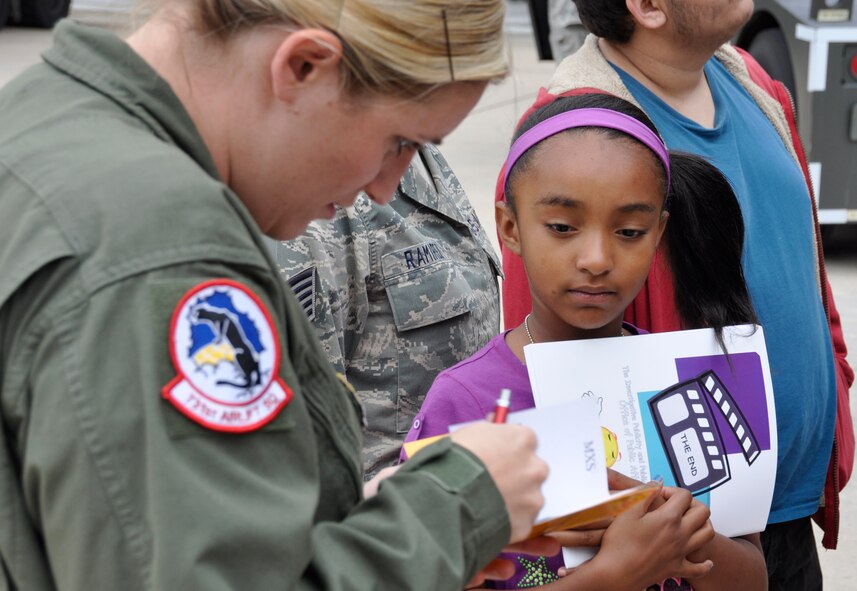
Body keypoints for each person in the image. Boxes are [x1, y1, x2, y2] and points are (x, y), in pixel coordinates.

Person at [0, 1, 558, 589]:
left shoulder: (48, 118)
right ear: (303, 68)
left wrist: (374, 520)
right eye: (398, 141)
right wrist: (449, 514)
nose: (388, 187)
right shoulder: (160, 255)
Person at [494, 2, 854, 588]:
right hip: (684, 547)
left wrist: (832, 373)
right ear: (648, 7)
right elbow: (547, 363)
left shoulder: (750, 81)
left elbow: (802, 258)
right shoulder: (571, 137)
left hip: (787, 516)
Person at [406, 93, 768, 590]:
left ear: (659, 234)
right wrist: (614, 574)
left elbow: (752, 580)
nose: (596, 258)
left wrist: (682, 529)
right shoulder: (465, 402)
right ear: (510, 227)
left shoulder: (686, 382)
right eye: (561, 227)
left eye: (629, 230)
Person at [275, 144, 501, 480]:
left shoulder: (424, 152)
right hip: (391, 515)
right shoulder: (325, 200)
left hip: (464, 501)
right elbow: (299, 443)